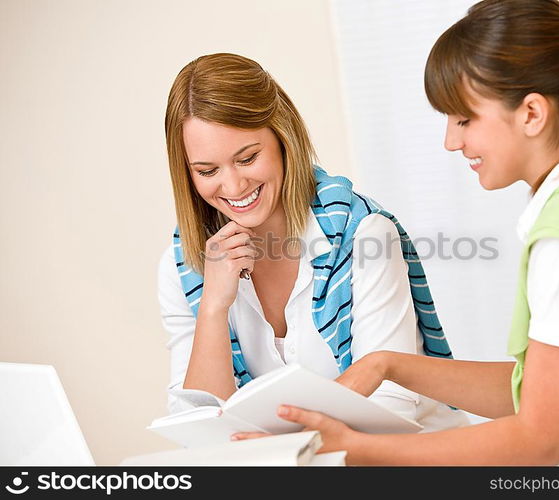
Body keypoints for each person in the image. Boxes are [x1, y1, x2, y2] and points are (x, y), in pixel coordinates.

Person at [239, 0, 559, 465]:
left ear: (532, 113)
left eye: (464, 119)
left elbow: (539, 438)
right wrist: (388, 364)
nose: (451, 141)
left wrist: (359, 450)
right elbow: (542, 388)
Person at [157, 53, 471, 433]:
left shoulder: (364, 233)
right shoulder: (184, 266)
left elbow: (390, 410)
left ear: (282, 139)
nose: (234, 186)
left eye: (248, 158)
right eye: (207, 170)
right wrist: (212, 308)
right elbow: (199, 426)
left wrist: (279, 445)